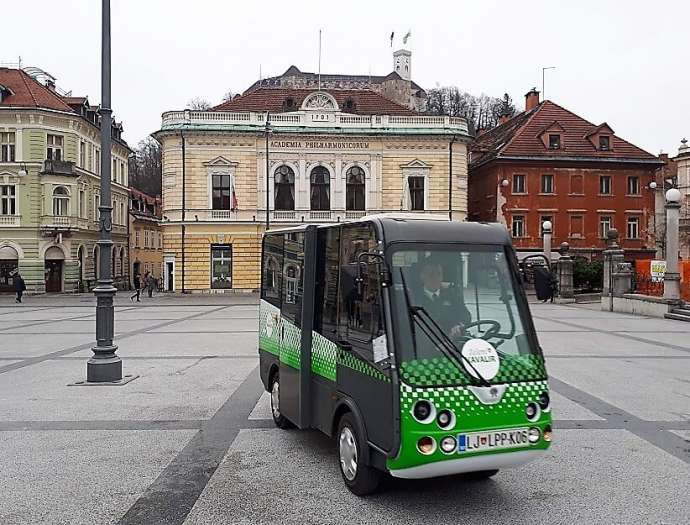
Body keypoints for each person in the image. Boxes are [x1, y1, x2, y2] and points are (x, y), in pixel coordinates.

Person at [415, 259, 471, 339]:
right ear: (422, 276)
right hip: (425, 344)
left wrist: (459, 326)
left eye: (439, 274)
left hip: (453, 343)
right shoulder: (414, 298)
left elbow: (466, 315)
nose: (435, 278)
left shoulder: (452, 295)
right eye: (431, 274)